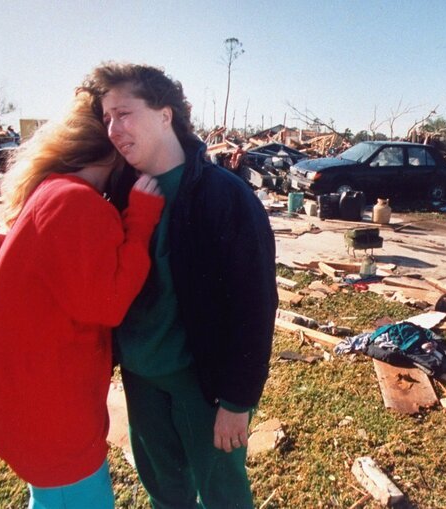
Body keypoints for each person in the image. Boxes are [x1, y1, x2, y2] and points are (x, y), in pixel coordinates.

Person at [81, 62, 277, 509]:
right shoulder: (115, 191)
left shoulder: (223, 195)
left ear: (165, 114)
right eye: (107, 117)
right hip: (140, 376)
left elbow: (255, 304)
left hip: (201, 383)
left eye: (124, 113)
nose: (112, 129)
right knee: (165, 494)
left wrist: (237, 400)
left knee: (223, 496)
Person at [0, 90, 164, 508]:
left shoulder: (51, 189)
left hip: (23, 402)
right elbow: (109, 302)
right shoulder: (79, 203)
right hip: (54, 415)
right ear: (115, 151)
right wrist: (142, 219)